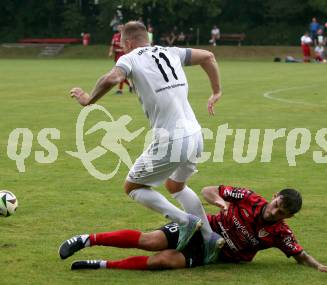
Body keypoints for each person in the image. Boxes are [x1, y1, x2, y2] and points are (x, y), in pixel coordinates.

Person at [68, 21, 224, 264]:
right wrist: (216, 91)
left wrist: (88, 100)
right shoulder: (171, 51)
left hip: (171, 139)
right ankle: (210, 237)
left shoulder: (130, 58)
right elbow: (208, 56)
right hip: (196, 136)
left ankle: (185, 221)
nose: (121, 48)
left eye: (121, 44)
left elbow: (111, 78)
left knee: (133, 188)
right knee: (176, 186)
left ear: (128, 43)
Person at [59, 185, 327, 274]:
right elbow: (208, 190)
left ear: (288, 216)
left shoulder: (281, 234)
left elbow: (300, 254)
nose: (274, 210)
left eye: (281, 211)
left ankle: (102, 265)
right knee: (151, 241)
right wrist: (220, 202)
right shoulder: (249, 198)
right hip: (203, 229)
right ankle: (86, 239)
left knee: (163, 261)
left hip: (213, 254)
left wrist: (320, 266)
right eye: (277, 203)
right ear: (276, 195)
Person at [108, 24, 132, 95]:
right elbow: (112, 45)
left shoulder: (126, 37)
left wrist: (122, 50)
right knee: (120, 74)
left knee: (120, 73)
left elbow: (128, 47)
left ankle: (120, 90)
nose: (120, 29)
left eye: (121, 28)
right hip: (117, 57)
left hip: (123, 57)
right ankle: (130, 85)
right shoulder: (115, 36)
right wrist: (111, 51)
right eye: (119, 28)